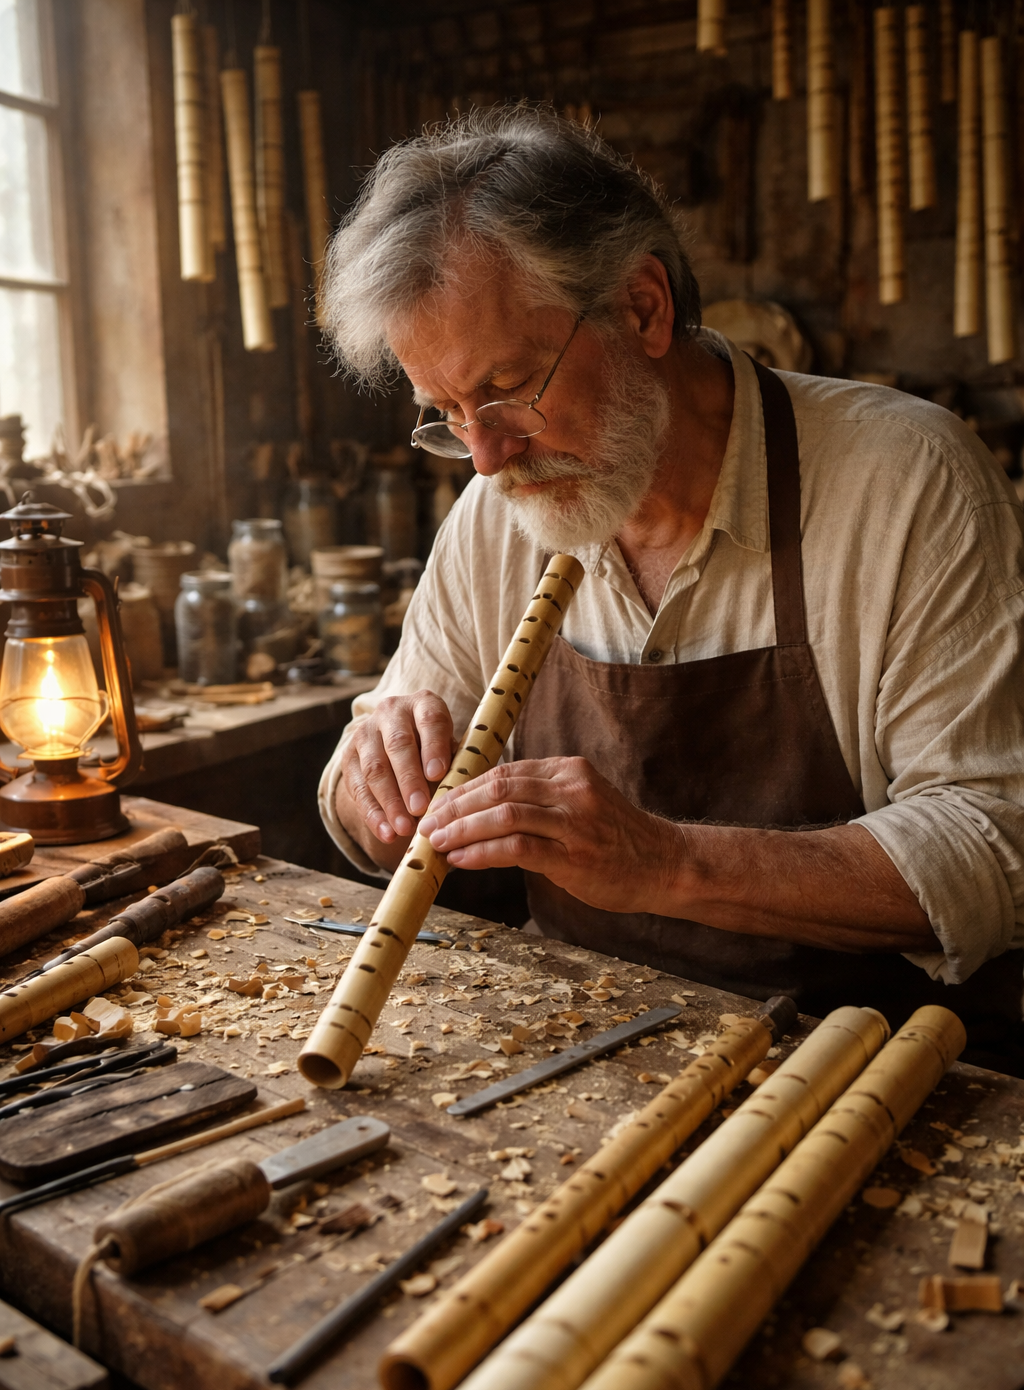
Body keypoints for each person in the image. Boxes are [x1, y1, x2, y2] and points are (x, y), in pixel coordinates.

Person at [317, 107, 1024, 1074]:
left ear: (643, 308)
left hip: (865, 1076)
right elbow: (360, 785)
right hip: (581, 1061)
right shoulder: (497, 516)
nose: (484, 458)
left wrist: (664, 863)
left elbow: (992, 849)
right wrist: (373, 786)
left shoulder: (905, 477)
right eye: (444, 414)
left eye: (511, 386)